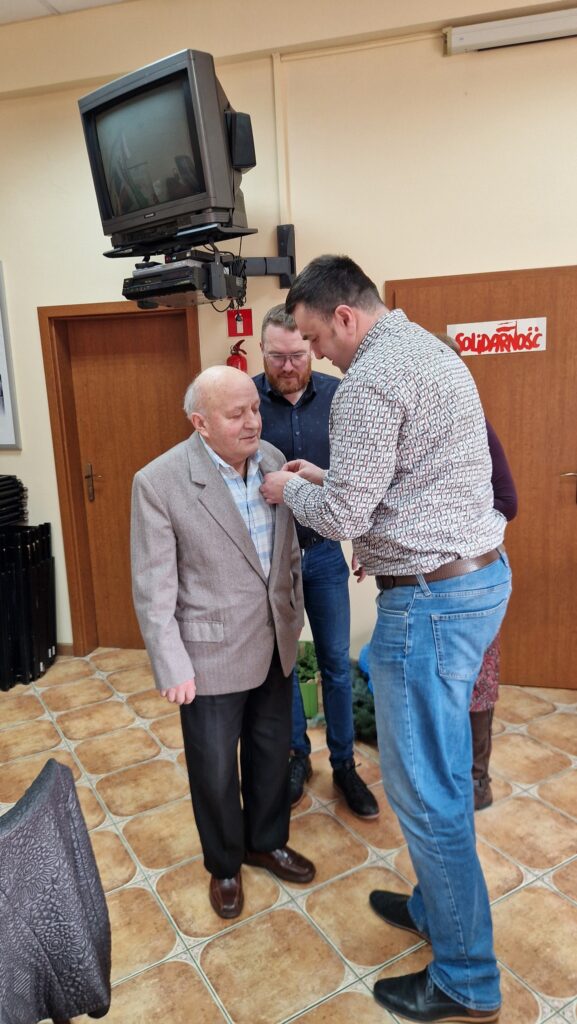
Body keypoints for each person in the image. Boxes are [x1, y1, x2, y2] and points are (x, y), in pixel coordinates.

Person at [260, 256, 511, 1024]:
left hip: (429, 605)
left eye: (314, 338)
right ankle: (437, 912)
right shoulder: (425, 348)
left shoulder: (368, 381)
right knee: (440, 775)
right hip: (475, 579)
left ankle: (466, 977)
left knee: (424, 793)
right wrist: (324, 478)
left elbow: (342, 517)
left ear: (343, 317)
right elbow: (399, 480)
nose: (317, 355)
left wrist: (287, 488)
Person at [131, 365, 315, 921]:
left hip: (275, 642)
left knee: (271, 753)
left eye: (254, 409)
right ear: (201, 423)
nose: (253, 421)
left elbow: (286, 553)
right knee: (214, 771)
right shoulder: (160, 481)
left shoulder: (274, 461)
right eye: (237, 414)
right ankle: (226, 864)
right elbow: (153, 586)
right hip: (208, 655)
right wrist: (171, 663)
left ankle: (266, 841)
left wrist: (292, 616)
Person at [254, 303, 379, 818]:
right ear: (262, 351)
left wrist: (364, 542)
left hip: (325, 555)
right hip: (270, 562)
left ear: (310, 348)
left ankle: (345, 765)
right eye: (276, 357)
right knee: (283, 664)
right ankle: (297, 758)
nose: (287, 367)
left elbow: (359, 479)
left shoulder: (340, 396)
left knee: (335, 664)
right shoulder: (248, 404)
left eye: (296, 355)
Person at [436, 333, 518, 811]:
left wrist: (458, 537)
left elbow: (507, 501)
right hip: (428, 586)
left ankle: (476, 782)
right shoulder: (413, 430)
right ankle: (448, 778)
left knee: (478, 683)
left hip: (471, 578)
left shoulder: (476, 427)